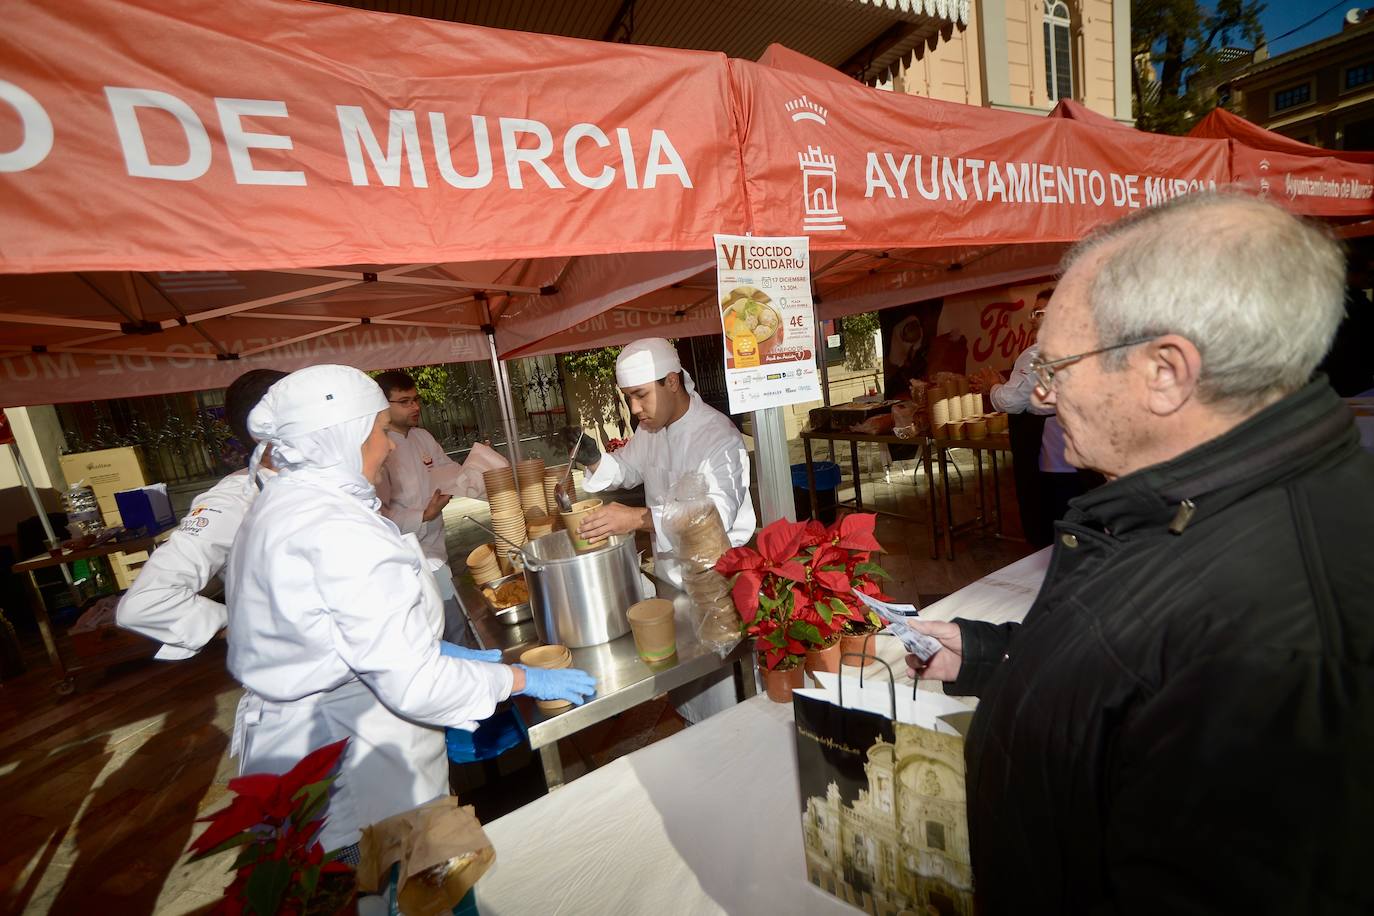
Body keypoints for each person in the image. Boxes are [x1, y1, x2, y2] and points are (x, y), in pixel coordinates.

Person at [907, 193, 1374, 913]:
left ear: (1165, 372)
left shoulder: (1285, 650)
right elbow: (1141, 677)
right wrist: (993, 657)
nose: (1045, 396)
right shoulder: (1207, 502)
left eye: (1057, 367)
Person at [226, 365, 595, 855]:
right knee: (394, 888)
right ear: (345, 437)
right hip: (355, 790)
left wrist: (436, 650)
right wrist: (520, 679)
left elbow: (332, 634)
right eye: (380, 431)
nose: (389, 446)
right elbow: (414, 684)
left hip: (309, 759)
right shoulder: (337, 530)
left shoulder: (283, 505)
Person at [568, 338, 755, 723]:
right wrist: (593, 457)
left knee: (726, 706)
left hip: (717, 588)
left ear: (671, 382)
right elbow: (626, 468)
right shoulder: (651, 431)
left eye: (641, 395)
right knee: (687, 687)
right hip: (673, 583)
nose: (635, 409)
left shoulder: (717, 436)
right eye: (628, 398)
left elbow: (714, 516)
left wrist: (637, 519)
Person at [116, 368, 286, 658]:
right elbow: (148, 602)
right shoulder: (235, 499)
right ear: (266, 430)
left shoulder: (319, 483)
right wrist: (245, 627)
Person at [972, 288, 1087, 547]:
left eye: (1038, 313)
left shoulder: (1037, 353)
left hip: (1053, 451)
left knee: (1053, 518)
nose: (1031, 319)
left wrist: (993, 386)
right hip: (1079, 450)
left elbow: (1011, 402)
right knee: (1078, 514)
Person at [372, 369, 470, 645]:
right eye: (404, 402)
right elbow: (378, 515)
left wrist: (472, 468)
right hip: (405, 556)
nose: (415, 407)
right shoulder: (377, 450)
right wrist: (423, 515)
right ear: (383, 405)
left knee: (454, 624)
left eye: (416, 400)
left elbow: (447, 470)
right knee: (426, 633)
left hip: (437, 548)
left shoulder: (422, 437)